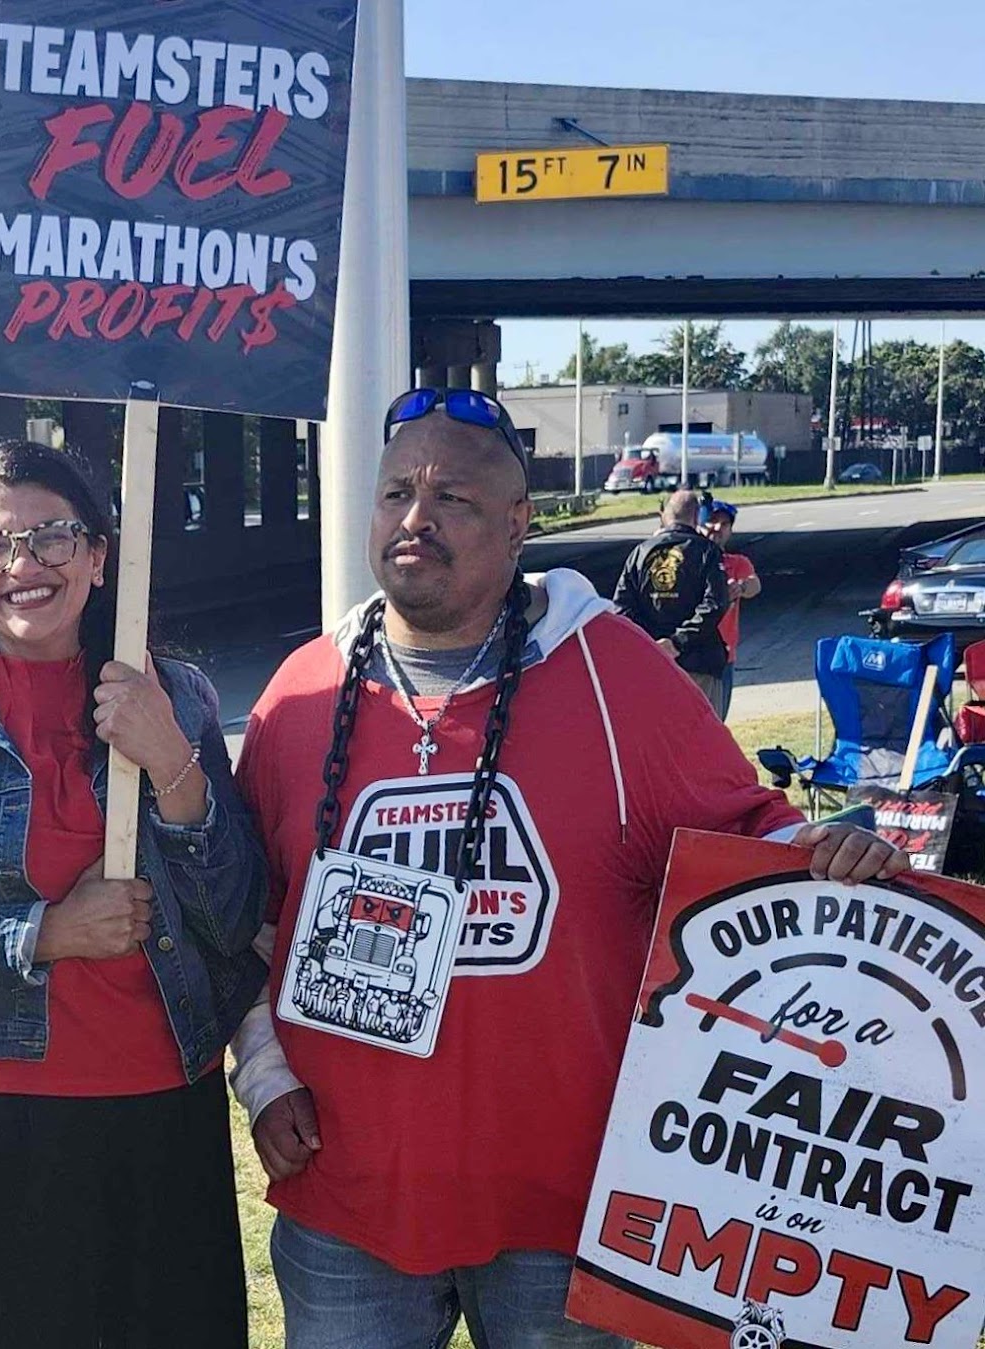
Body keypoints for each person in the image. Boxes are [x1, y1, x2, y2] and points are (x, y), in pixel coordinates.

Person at [228, 387, 905, 1349]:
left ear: (518, 524)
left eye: (451, 498)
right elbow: (248, 916)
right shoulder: (299, 694)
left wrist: (833, 856)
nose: (415, 519)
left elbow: (749, 843)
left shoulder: (616, 676)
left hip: (567, 1207)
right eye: (395, 495)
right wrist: (263, 1073)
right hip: (346, 1196)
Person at [0, 440, 267, 1348]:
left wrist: (172, 764)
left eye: (52, 537)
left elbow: (235, 914)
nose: (23, 566)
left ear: (103, 554)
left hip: (161, 1104)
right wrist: (48, 933)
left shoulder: (176, 694)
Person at [612, 488, 730, 713]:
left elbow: (621, 609)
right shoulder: (707, 552)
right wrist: (677, 641)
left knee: (656, 739)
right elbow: (715, 604)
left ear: (664, 516)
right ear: (697, 518)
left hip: (651, 667)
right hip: (698, 664)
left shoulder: (639, 554)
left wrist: (651, 644)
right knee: (701, 739)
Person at [701, 498, 761, 720]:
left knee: (716, 722)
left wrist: (741, 587)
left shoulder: (736, 563)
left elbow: (755, 584)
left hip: (723, 657)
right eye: (712, 521)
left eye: (724, 524)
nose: (717, 528)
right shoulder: (688, 560)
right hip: (690, 655)